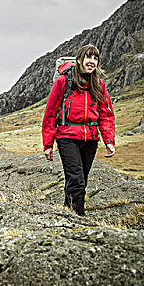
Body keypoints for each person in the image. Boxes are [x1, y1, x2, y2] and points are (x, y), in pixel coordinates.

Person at [42, 44, 115, 216]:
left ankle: (68, 212)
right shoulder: (63, 82)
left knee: (80, 178)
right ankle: (78, 217)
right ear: (79, 60)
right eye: (88, 57)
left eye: (95, 58)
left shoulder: (99, 84)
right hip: (67, 137)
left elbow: (106, 115)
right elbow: (50, 113)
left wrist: (109, 141)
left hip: (90, 139)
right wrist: (48, 144)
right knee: (76, 179)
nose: (92, 61)